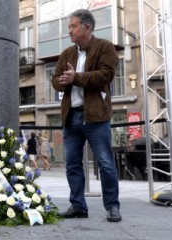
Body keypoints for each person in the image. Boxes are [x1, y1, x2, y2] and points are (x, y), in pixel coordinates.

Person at [51, 9, 121, 222]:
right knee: (72, 164)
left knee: (105, 162)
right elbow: (54, 79)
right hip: (71, 116)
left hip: (96, 117)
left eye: (73, 26)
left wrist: (76, 77)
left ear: (87, 27)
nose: (69, 31)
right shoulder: (67, 54)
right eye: (69, 27)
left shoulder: (105, 47)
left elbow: (106, 75)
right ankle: (78, 205)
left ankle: (112, 206)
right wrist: (61, 81)